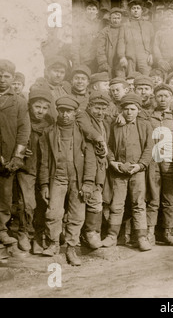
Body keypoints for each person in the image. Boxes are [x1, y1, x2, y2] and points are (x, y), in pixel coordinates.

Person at [39, 95, 96, 266]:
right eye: (62, 111)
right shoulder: (49, 132)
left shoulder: (83, 132)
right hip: (57, 177)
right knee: (53, 212)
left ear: (75, 112)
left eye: (69, 111)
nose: (65, 115)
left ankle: (71, 247)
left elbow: (90, 159)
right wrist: (43, 184)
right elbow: (44, 161)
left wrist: (87, 183)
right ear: (57, 111)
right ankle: (53, 243)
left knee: (77, 214)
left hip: (77, 179)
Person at [103, 93, 153, 251]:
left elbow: (149, 148)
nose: (129, 112)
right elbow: (108, 146)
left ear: (138, 110)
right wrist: (112, 161)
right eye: (126, 109)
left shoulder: (145, 125)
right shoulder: (115, 124)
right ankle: (112, 236)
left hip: (137, 170)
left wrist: (141, 165)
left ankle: (142, 237)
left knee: (139, 204)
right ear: (121, 110)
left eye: (132, 109)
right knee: (116, 205)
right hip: (119, 171)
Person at [15, 88, 53, 252]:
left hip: (45, 170)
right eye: (37, 107)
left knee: (44, 204)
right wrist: (20, 148)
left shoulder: (50, 123)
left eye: (45, 108)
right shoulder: (22, 121)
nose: (41, 111)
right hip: (27, 169)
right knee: (27, 203)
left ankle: (39, 236)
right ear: (30, 105)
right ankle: (24, 233)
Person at [146, 84, 173, 246]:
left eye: (166, 96)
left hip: (170, 162)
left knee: (170, 198)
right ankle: (149, 232)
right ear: (154, 97)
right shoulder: (147, 117)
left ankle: (169, 232)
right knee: (152, 198)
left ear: (171, 97)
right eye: (159, 96)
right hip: (153, 161)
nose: (162, 99)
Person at [0, 59, 31, 247]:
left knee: (5, 195)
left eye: (6, 76)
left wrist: (17, 156)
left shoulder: (19, 102)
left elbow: (24, 129)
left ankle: (2, 231)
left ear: (13, 78)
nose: (2, 79)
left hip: (8, 159)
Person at [77, 91, 113, 249]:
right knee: (82, 199)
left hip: (99, 167)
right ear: (89, 106)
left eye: (103, 109)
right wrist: (99, 139)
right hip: (83, 166)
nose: (100, 112)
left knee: (97, 199)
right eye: (97, 108)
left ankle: (93, 232)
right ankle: (84, 233)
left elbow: (107, 147)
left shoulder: (105, 123)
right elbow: (86, 129)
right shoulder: (82, 116)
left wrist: (111, 158)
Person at [117, 0, 154, 76]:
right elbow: (121, 41)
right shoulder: (125, 25)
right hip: (130, 56)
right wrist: (122, 56)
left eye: (138, 8)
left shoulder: (148, 25)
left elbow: (152, 41)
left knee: (146, 77)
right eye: (133, 8)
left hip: (144, 56)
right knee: (130, 77)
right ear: (130, 11)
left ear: (142, 11)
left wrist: (151, 54)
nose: (136, 10)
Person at [32, 55, 71, 120]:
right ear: (47, 72)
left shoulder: (66, 88)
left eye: (62, 72)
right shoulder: (40, 87)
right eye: (56, 71)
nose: (58, 75)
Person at [72, 0, 102, 73]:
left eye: (93, 9)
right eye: (89, 9)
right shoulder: (79, 25)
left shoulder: (101, 24)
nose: (91, 11)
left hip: (98, 60)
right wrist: (76, 63)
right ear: (85, 11)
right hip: (84, 60)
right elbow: (75, 45)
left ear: (97, 11)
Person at [153, 8, 173, 74]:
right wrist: (160, 60)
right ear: (163, 19)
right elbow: (155, 47)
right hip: (163, 62)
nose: (168, 19)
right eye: (166, 17)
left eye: (171, 17)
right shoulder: (159, 33)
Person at [96, 7, 124, 78]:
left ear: (121, 19)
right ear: (110, 19)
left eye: (118, 18)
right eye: (114, 18)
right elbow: (100, 48)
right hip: (108, 61)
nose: (116, 20)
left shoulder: (124, 30)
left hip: (120, 61)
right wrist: (103, 63)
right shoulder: (104, 31)